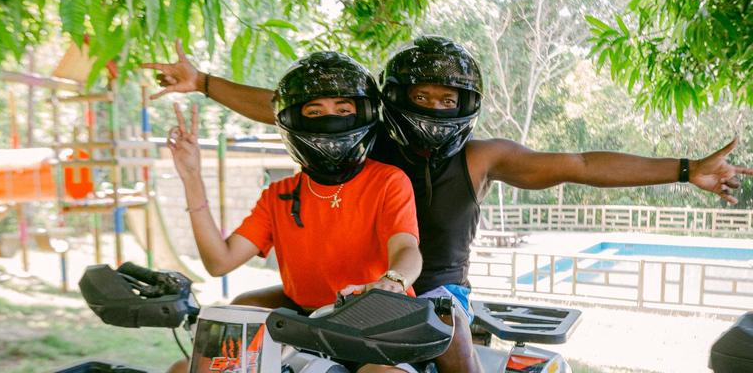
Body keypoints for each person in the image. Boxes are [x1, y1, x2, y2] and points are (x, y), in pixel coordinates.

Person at [145, 36, 753, 373]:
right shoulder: (363, 138)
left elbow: (581, 166)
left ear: (466, 102)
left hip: (429, 288)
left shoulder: (481, 157)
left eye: (448, 98)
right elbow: (300, 104)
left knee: (449, 319)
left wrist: (684, 169)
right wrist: (204, 84)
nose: (435, 108)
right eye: (423, 96)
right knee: (236, 311)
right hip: (346, 285)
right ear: (395, 98)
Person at [165, 51, 422, 373]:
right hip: (308, 326)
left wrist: (393, 281)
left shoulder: (388, 181)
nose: (330, 119)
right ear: (293, 121)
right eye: (315, 112)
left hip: (379, 323)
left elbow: (406, 247)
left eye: (343, 109)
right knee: (183, 369)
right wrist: (191, 177)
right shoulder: (280, 194)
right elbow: (220, 262)